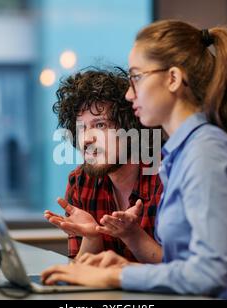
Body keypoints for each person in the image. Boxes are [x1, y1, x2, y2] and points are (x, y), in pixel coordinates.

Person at [41, 20, 227, 300]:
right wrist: (126, 267)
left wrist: (118, 274)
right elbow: (182, 266)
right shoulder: (179, 154)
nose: (130, 94)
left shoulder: (206, 154)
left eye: (137, 77)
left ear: (173, 79)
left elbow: (210, 275)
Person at [44, 68, 163, 263]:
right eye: (81, 128)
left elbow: (182, 272)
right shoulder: (80, 182)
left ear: (129, 130)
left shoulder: (164, 176)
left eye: (100, 125)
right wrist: (92, 237)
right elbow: (81, 274)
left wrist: (132, 235)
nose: (87, 139)